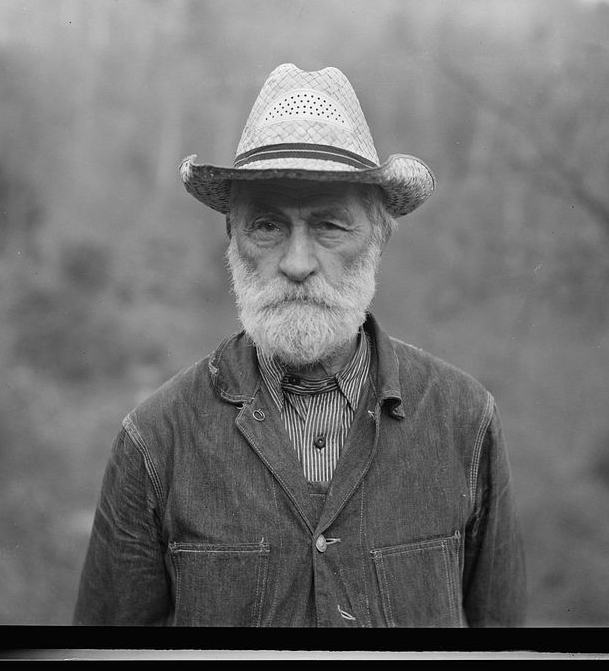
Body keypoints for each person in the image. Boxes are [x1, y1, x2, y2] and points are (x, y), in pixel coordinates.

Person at [73, 63, 526, 627]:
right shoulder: (155, 439)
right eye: (267, 225)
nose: (296, 263)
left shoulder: (466, 421)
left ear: (380, 240)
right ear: (232, 240)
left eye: (331, 226)